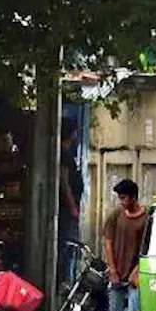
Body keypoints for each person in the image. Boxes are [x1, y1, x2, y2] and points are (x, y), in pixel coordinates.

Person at [102, 179, 149, 311]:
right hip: (118, 272)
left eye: (124, 198)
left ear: (133, 197)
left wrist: (137, 270)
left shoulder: (147, 217)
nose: (121, 202)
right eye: (120, 198)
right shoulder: (116, 215)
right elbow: (108, 242)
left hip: (136, 274)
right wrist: (113, 269)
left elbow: (148, 248)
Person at [58, 123, 85, 287]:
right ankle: (63, 280)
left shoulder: (66, 154)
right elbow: (64, 182)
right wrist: (72, 207)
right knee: (68, 245)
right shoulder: (64, 154)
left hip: (70, 208)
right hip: (67, 210)